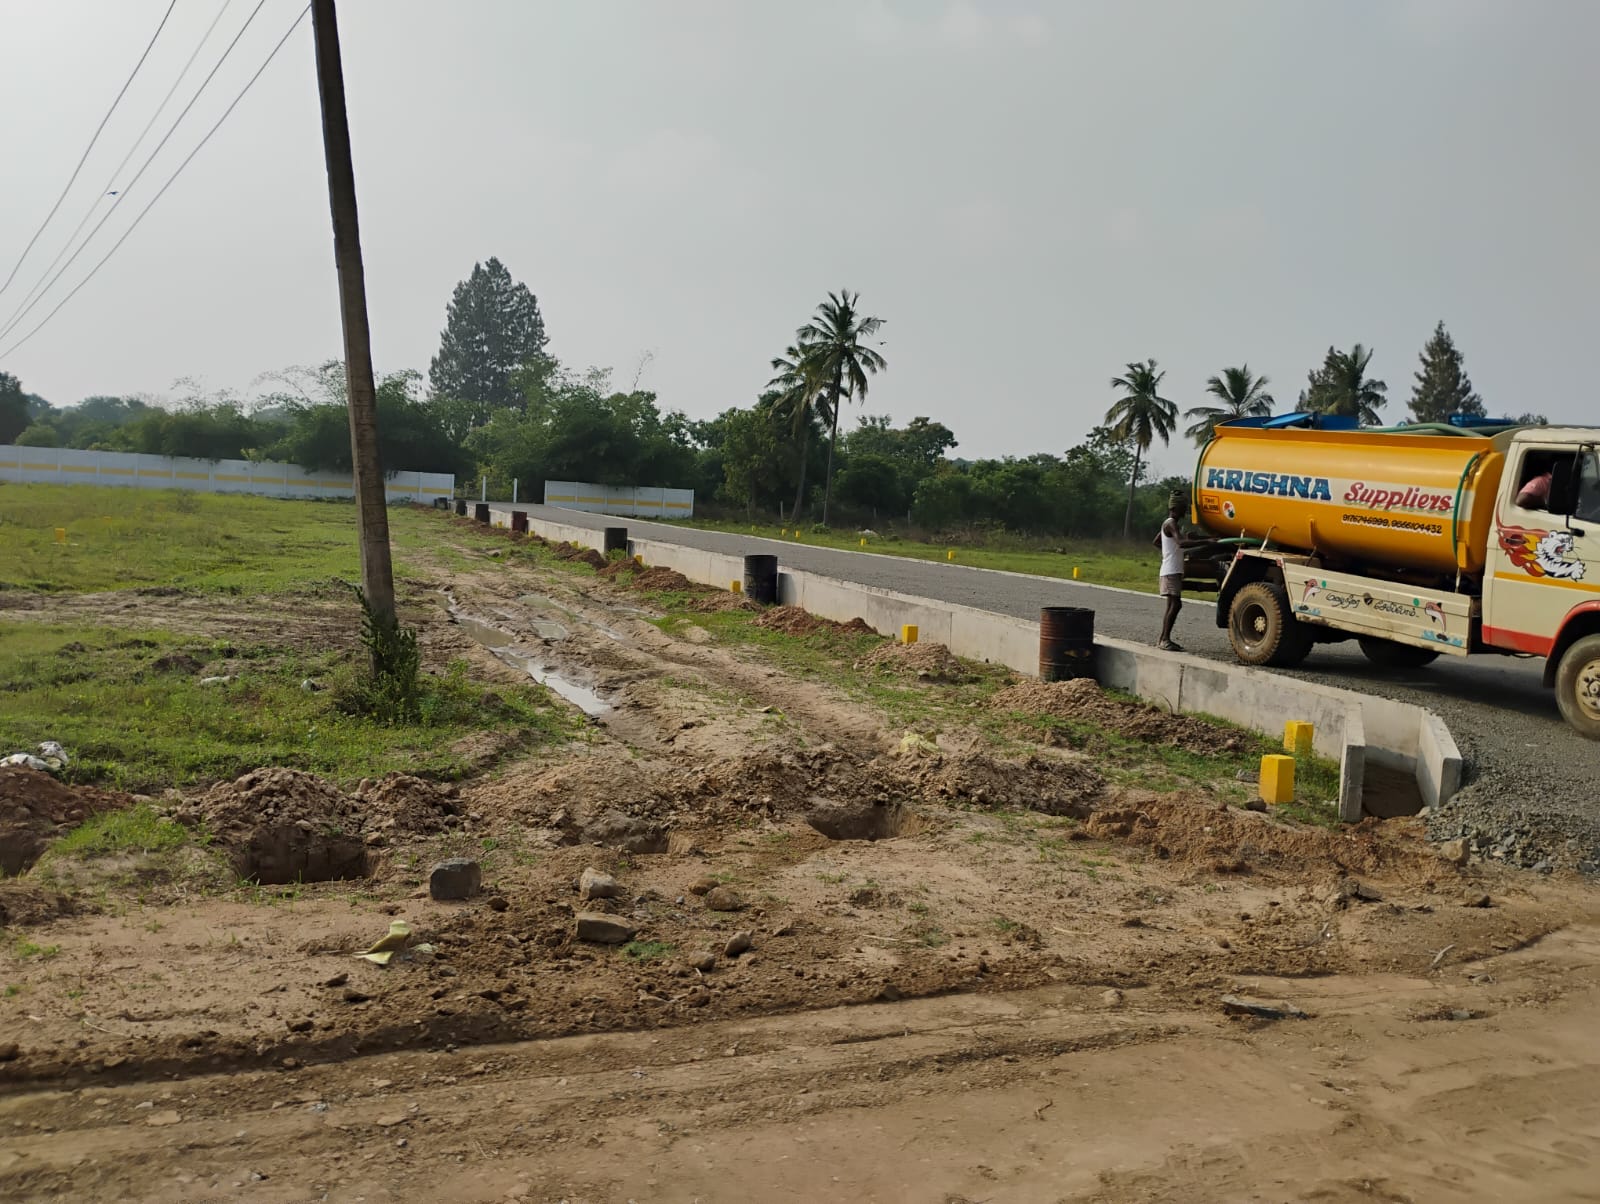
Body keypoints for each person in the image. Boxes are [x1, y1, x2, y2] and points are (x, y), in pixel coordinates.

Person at [1153, 495, 1189, 651]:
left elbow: (1156, 542)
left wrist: (1169, 552)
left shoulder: (1168, 524)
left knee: (1172, 605)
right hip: (1170, 570)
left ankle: (1163, 639)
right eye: (1183, 507)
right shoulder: (1171, 523)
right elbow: (1181, 542)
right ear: (1174, 509)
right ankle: (1164, 639)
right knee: (1176, 604)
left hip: (1171, 569)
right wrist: (1208, 542)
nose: (1185, 510)